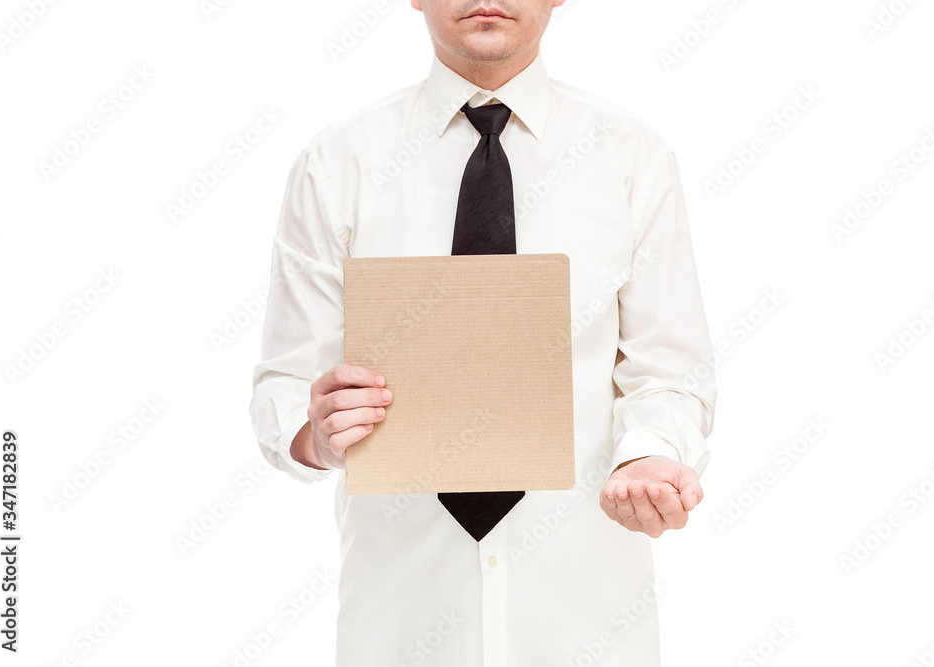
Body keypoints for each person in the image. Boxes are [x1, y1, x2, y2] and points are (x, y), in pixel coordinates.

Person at [248, 1, 717, 664]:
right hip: (403, 624)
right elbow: (285, 384)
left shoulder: (631, 157)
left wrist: (648, 451)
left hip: (586, 623)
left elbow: (671, 370)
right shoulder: (339, 162)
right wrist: (315, 432)